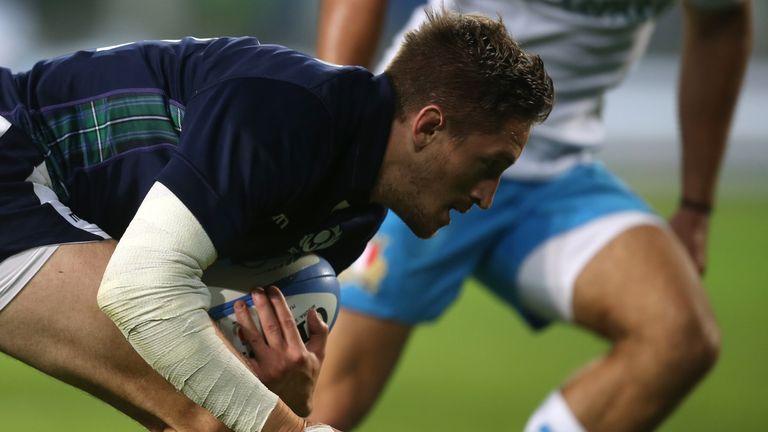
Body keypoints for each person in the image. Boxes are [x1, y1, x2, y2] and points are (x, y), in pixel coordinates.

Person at [0, 8, 554, 432]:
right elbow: (141, 291)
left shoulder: (358, 209)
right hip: (13, 160)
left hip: (44, 194)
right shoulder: (285, 115)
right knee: (203, 408)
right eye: (491, 164)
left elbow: (236, 388)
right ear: (429, 127)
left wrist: (293, 398)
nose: (488, 197)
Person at [312, 0, 752, 431]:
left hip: (557, 172)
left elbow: (722, 22)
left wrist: (696, 207)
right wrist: (335, 136)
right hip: (432, 151)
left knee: (678, 338)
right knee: (323, 405)